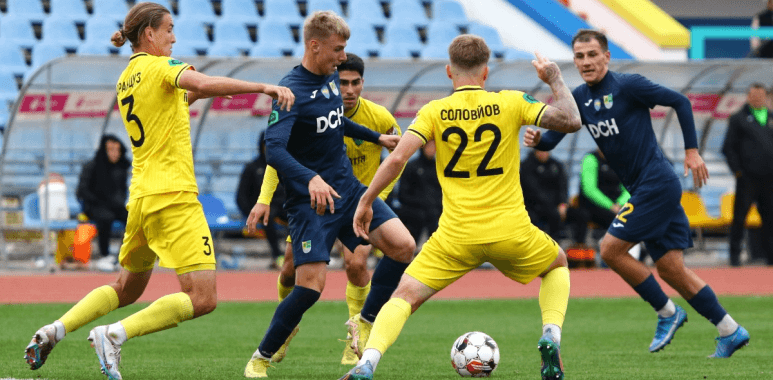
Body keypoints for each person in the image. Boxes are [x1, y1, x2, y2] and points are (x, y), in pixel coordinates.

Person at [23, 3, 295, 379]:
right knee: (203, 298)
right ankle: (114, 335)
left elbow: (182, 99)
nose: (174, 37)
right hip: (174, 197)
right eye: (168, 29)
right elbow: (198, 84)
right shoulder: (160, 67)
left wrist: (201, 89)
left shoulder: (127, 77)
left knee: (126, 288)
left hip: (141, 198)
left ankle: (57, 328)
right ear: (149, 34)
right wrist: (262, 86)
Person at [340, 34, 582, 380]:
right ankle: (550, 334)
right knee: (557, 265)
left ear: (449, 72)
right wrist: (555, 78)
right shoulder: (511, 102)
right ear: (486, 73)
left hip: (455, 236)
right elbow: (572, 120)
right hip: (511, 230)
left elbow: (396, 159)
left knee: (404, 296)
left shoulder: (434, 111)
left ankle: (368, 364)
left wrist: (366, 201)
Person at [525, 29, 749, 358]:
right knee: (672, 269)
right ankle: (729, 329)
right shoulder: (579, 99)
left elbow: (681, 101)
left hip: (656, 182)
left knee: (611, 249)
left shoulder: (628, 85)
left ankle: (667, 312)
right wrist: (536, 139)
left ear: (606, 57)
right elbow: (551, 141)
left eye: (592, 55)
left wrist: (691, 151)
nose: (586, 62)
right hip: (647, 188)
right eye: (579, 56)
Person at [242, 11, 415, 378]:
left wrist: (376, 137)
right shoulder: (290, 92)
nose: (342, 57)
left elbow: (335, 118)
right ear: (314, 45)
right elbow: (274, 151)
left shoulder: (331, 77)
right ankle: (261, 356)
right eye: (337, 50)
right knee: (309, 289)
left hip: (349, 189)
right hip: (310, 203)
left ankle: (364, 322)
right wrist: (310, 179)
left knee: (403, 246)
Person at [722, 83, 773, 266]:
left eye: (761, 96)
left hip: (769, 179)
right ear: (748, 97)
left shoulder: (770, 117)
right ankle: (734, 257)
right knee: (739, 218)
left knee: (769, 218)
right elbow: (728, 148)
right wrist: (738, 171)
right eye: (754, 95)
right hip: (747, 178)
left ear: (765, 97)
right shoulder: (738, 118)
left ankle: (770, 256)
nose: (757, 99)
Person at [76, 134, 131, 272]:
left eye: (117, 150)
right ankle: (104, 255)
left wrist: (119, 201)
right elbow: (82, 191)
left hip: (115, 206)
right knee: (106, 218)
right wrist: (98, 201)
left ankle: (123, 255)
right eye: (111, 150)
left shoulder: (121, 168)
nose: (114, 153)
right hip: (94, 205)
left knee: (133, 219)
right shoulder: (91, 166)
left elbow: (122, 190)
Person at [236, 131, 287, 269]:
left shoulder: (282, 165)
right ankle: (278, 256)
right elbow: (241, 196)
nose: (269, 148)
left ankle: (295, 255)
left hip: (281, 205)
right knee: (267, 218)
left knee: (298, 215)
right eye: (266, 144)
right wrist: (250, 213)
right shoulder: (252, 168)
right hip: (263, 208)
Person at [520, 149, 585, 245]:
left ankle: (579, 246)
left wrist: (563, 203)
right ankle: (553, 245)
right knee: (553, 215)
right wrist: (554, 207)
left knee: (582, 214)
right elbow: (533, 191)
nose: (543, 153)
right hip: (535, 207)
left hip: (558, 206)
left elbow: (563, 186)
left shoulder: (556, 165)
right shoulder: (526, 166)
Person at [396, 139, 442, 248]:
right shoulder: (411, 167)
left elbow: (443, 192)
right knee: (408, 245)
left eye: (434, 146)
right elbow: (402, 195)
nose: (432, 149)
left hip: (435, 214)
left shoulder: (439, 168)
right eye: (429, 146)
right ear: (423, 147)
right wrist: (423, 203)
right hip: (415, 214)